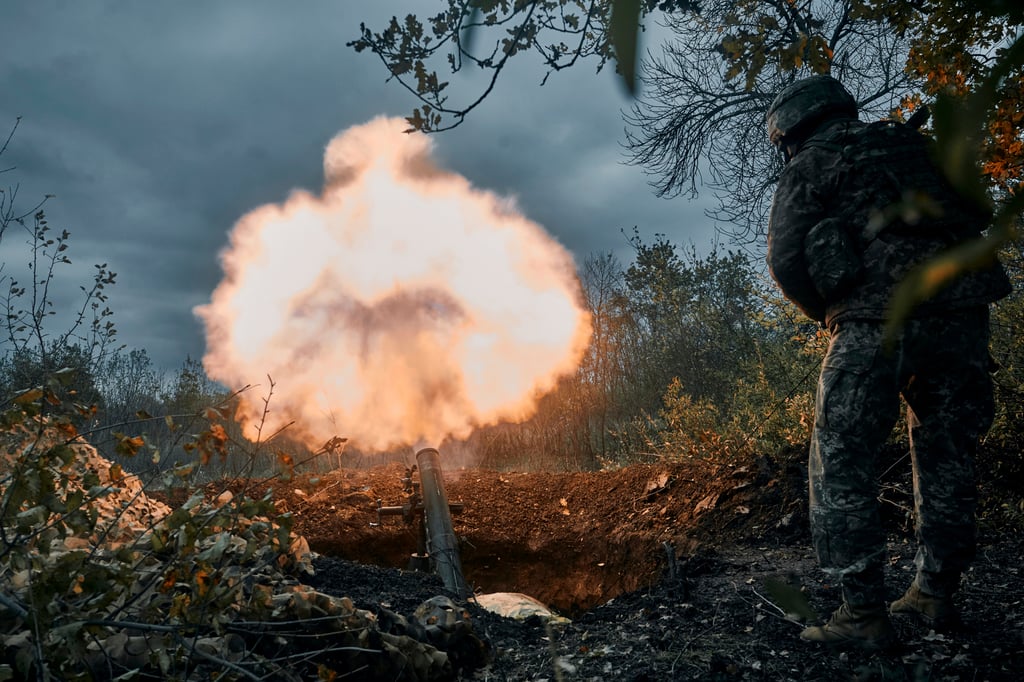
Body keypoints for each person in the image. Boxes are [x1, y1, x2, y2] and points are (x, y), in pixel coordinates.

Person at [764, 74, 1012, 649]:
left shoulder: (812, 164)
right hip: (962, 315)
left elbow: (785, 258)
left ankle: (863, 614)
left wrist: (831, 310)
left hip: (875, 322)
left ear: (790, 131)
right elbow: (978, 209)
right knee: (949, 454)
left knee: (841, 457)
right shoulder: (919, 147)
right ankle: (935, 593)